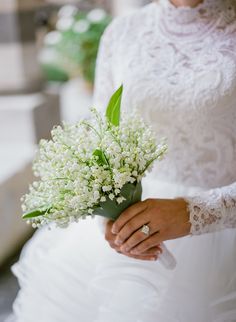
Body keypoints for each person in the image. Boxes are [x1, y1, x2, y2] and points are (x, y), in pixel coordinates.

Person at [9, 0, 236, 321]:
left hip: (222, 236)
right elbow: (101, 136)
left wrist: (193, 213)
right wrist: (112, 219)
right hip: (131, 227)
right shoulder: (123, 32)